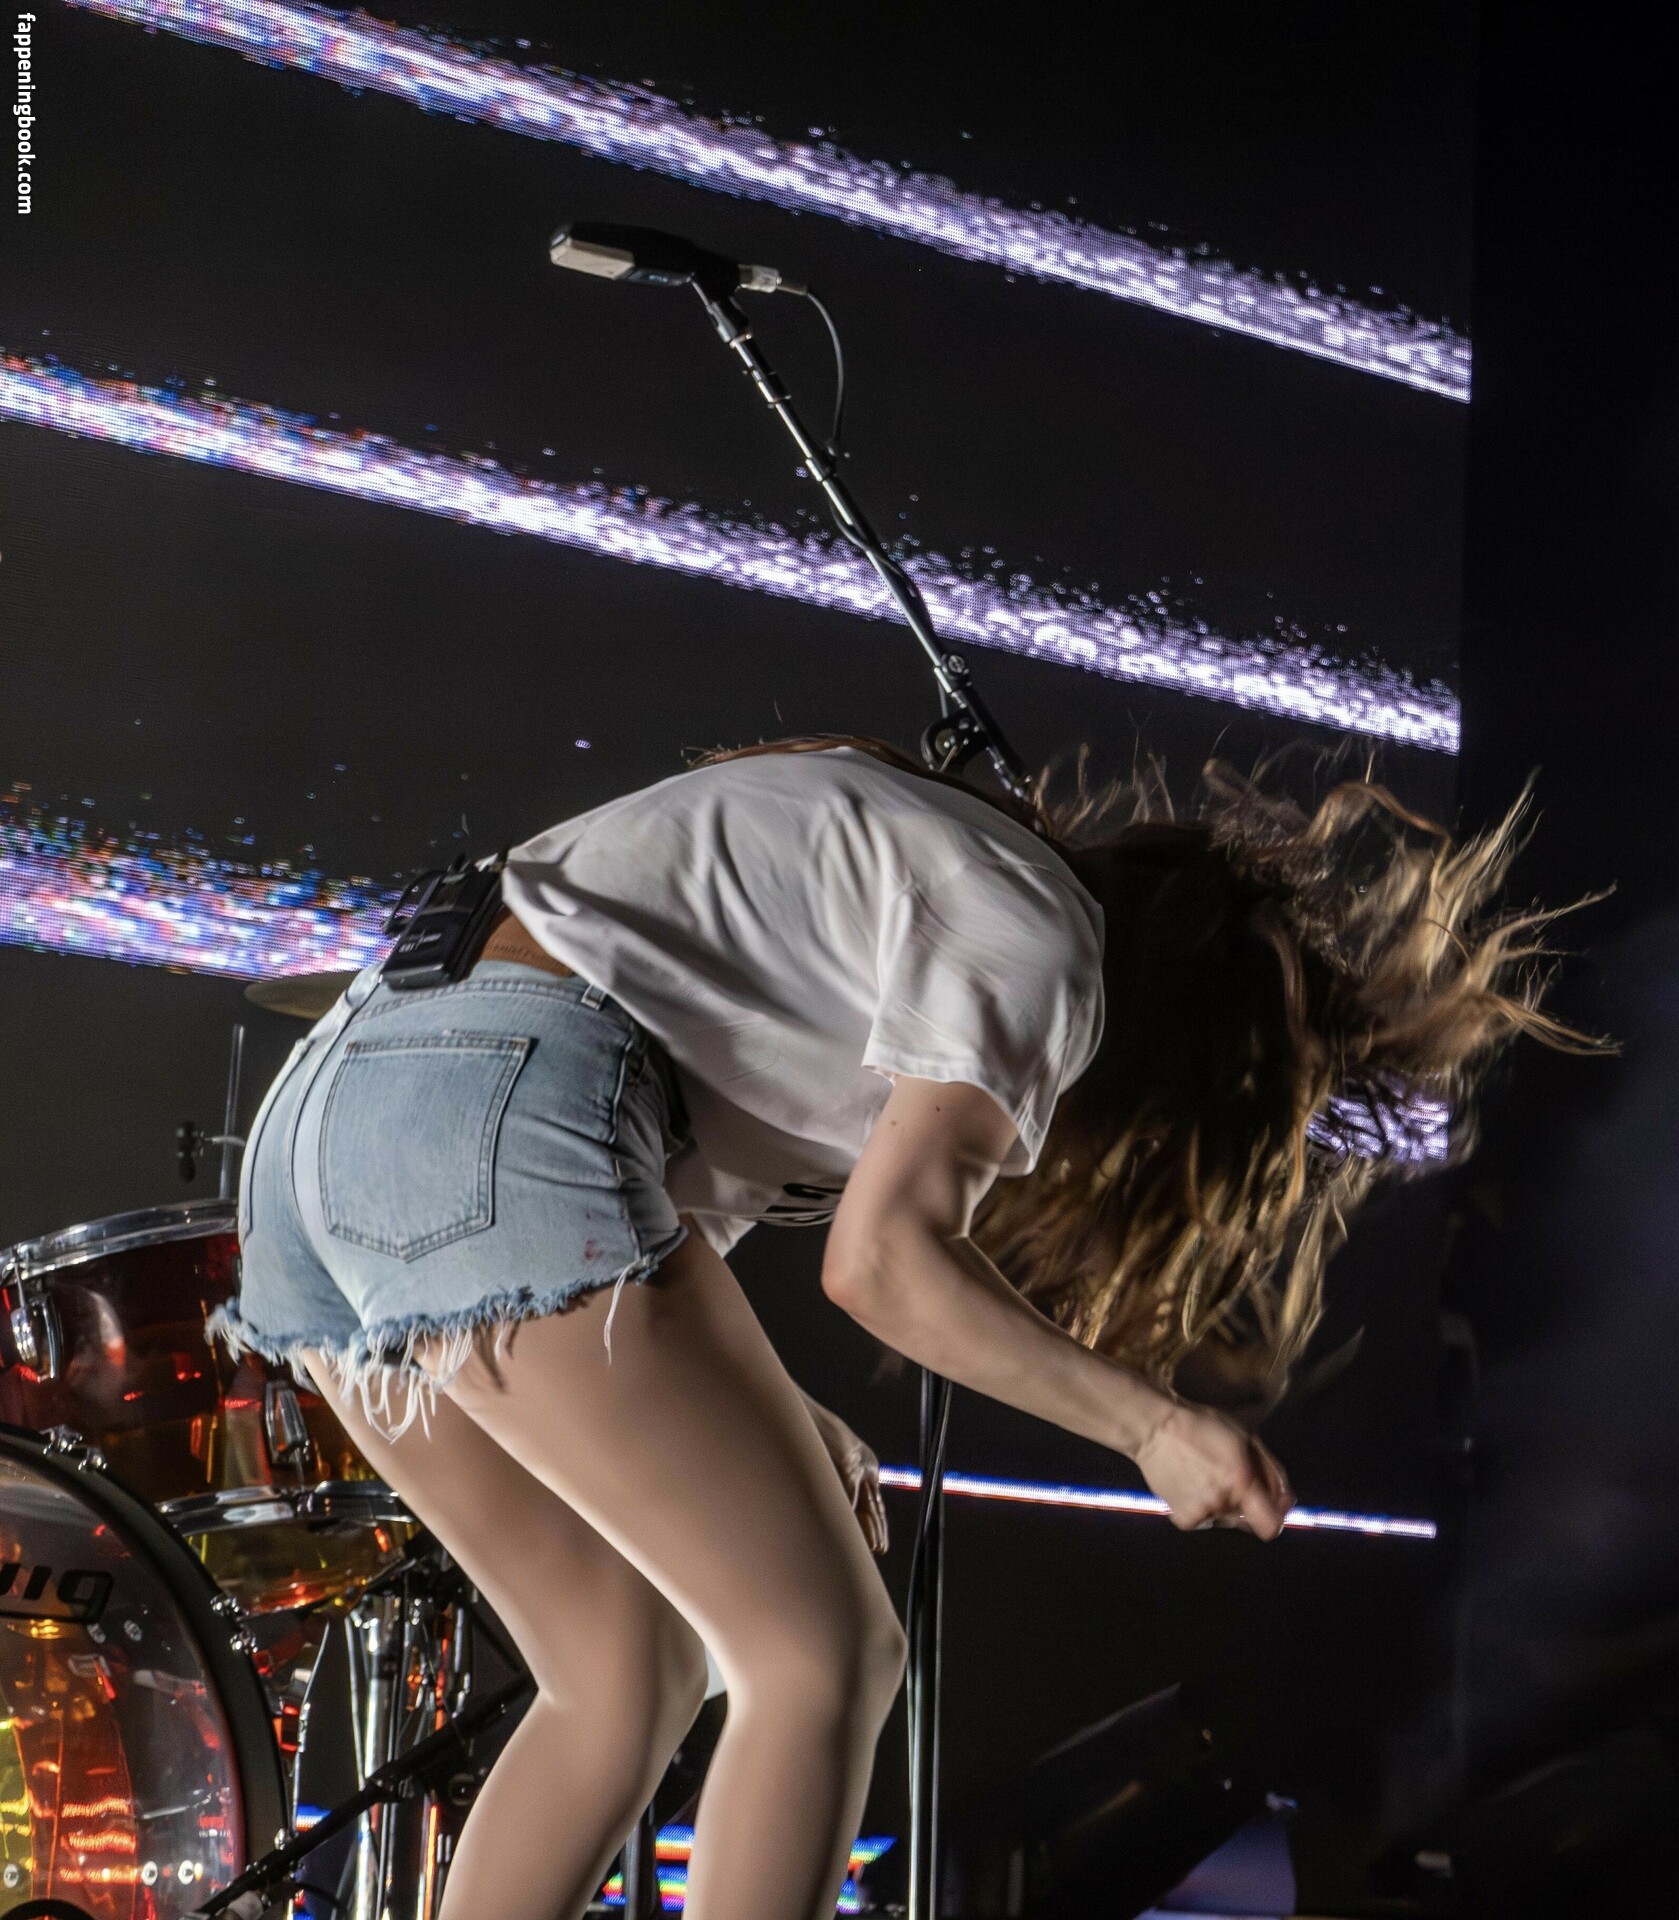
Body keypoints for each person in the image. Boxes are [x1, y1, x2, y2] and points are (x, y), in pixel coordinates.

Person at [213, 737, 1573, 1920]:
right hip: (489, 1114)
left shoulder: (912, 887)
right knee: (822, 1657)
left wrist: (783, 1417)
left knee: (621, 1679)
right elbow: (883, 1265)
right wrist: (1153, 1427)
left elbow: (632, 1241)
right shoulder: (1038, 940)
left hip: (324, 1134)